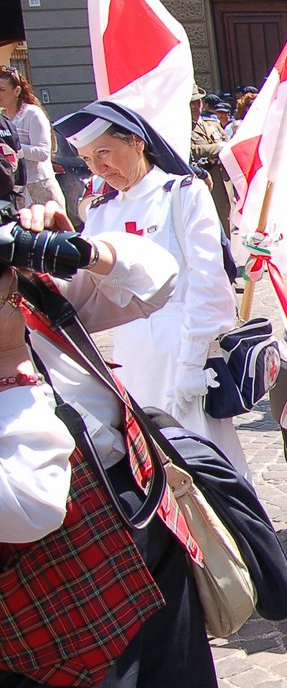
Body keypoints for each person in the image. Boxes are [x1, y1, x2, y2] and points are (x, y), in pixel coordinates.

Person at [0, 191, 246, 688]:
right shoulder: (10, 337)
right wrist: (12, 367)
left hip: (138, 522)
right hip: (48, 584)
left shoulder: (33, 289)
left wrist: (81, 249)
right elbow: (29, 506)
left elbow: (155, 278)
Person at [56, 100, 249, 481]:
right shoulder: (100, 213)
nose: (98, 168)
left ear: (137, 142)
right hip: (132, 355)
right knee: (154, 465)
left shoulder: (182, 194)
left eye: (104, 153)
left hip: (183, 350)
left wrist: (194, 361)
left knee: (206, 461)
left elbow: (208, 280)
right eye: (88, 159)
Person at [1, 67, 66, 213]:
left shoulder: (32, 114)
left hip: (39, 186)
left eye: (2, 90)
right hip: (17, 189)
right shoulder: (2, 117)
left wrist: (12, 147)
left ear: (17, 91)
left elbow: (42, 153)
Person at [189, 86, 232, 242]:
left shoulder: (211, 124)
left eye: (197, 102)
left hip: (222, 177)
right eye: (191, 103)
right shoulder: (184, 127)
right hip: (203, 178)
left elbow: (228, 143)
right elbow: (192, 150)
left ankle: (227, 254)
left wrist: (219, 149)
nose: (195, 106)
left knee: (225, 214)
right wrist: (217, 148)